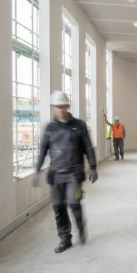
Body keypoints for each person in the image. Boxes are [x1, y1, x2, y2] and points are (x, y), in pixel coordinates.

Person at [31, 91, 98, 253]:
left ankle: (81, 226)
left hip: (75, 174)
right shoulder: (50, 128)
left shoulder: (79, 125)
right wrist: (37, 170)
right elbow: (43, 151)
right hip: (56, 175)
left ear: (67, 106)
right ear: (53, 108)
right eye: (57, 107)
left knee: (74, 203)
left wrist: (93, 167)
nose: (60, 109)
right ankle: (65, 238)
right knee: (58, 207)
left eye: (63, 106)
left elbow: (88, 147)